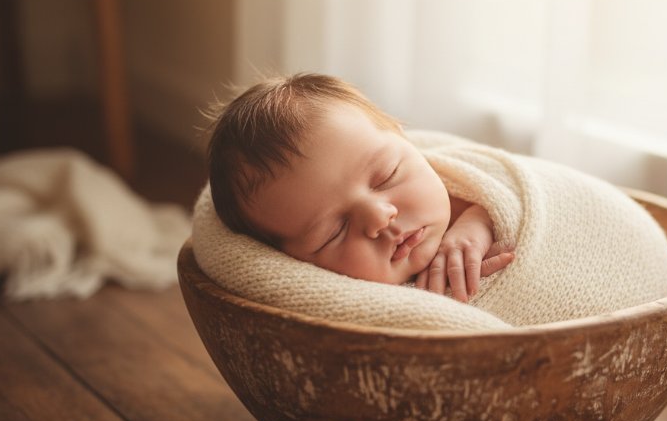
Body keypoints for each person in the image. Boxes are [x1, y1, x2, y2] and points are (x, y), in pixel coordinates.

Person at [206, 73, 514, 303]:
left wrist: (479, 221)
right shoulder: (353, 311)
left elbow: (509, 192)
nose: (380, 218)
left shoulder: (458, 186)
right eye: (334, 231)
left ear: (404, 138)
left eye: (386, 176)